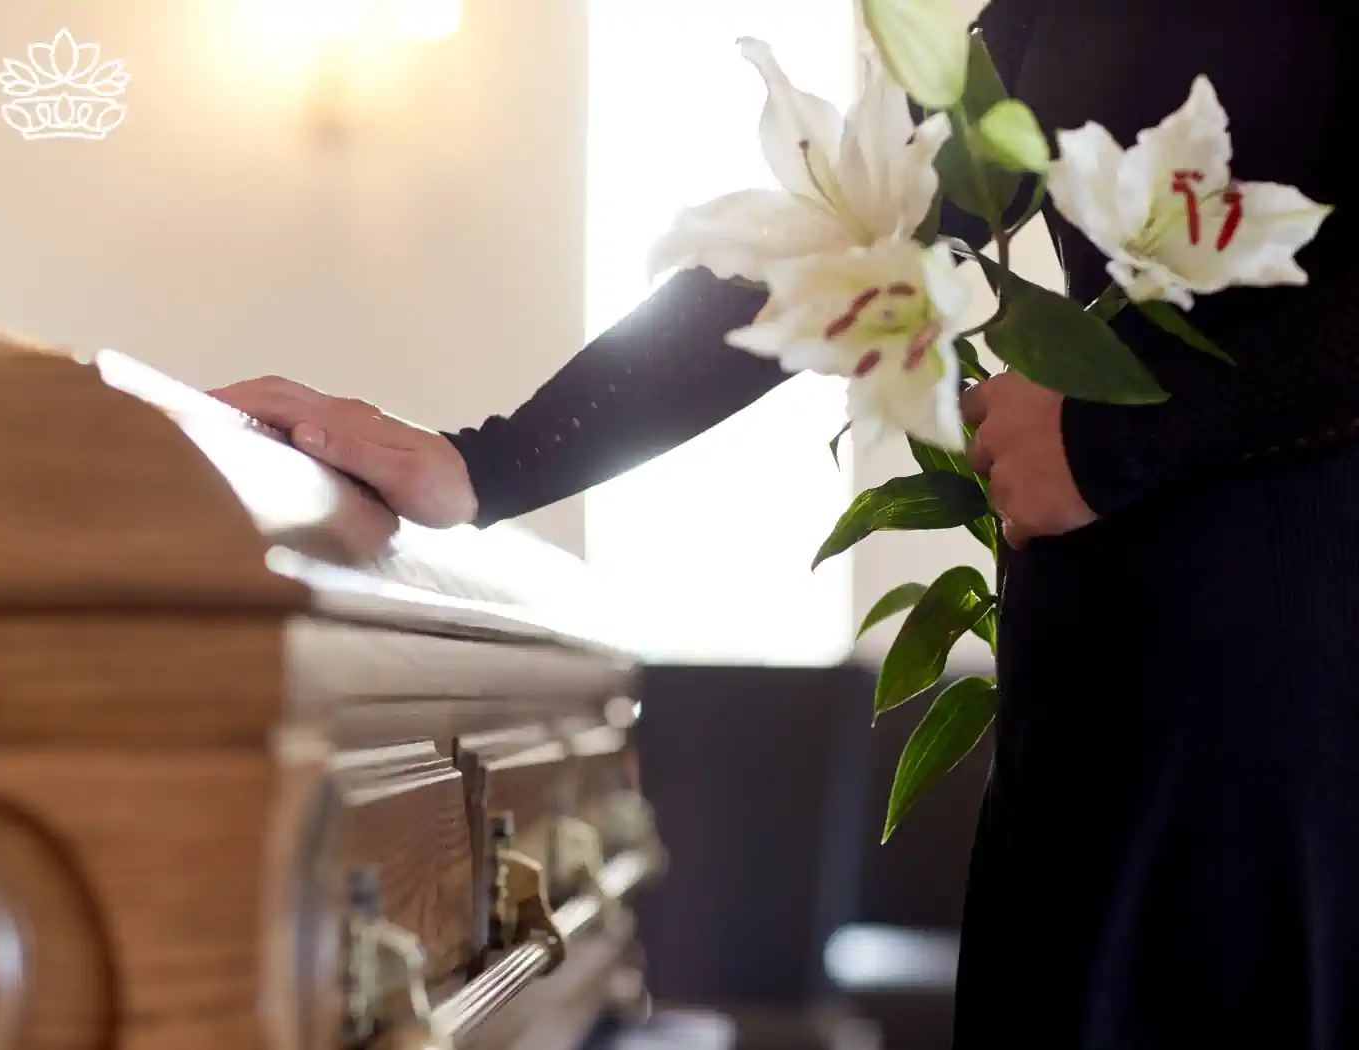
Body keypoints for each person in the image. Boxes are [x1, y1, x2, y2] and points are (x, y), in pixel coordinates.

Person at [211, 2, 1359, 1046]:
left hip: (1298, 701)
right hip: (1098, 691)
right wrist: (487, 460)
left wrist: (1123, 437)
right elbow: (833, 236)